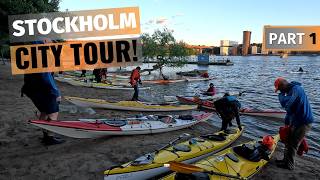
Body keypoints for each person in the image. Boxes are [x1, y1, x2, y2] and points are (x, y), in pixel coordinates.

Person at [274, 77, 313, 170]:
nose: (281, 91)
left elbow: (287, 103)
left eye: (280, 89)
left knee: (293, 144)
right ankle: (285, 161)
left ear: (283, 85)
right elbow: (290, 111)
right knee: (288, 142)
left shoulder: (297, 89)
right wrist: (287, 123)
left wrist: (281, 96)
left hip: (304, 122)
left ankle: (289, 165)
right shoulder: (291, 91)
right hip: (296, 122)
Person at [22, 72, 64, 145]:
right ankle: (50, 138)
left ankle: (45, 136)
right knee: (53, 113)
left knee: (44, 112)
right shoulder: (43, 63)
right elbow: (46, 78)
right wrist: (56, 93)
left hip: (31, 90)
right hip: (43, 90)